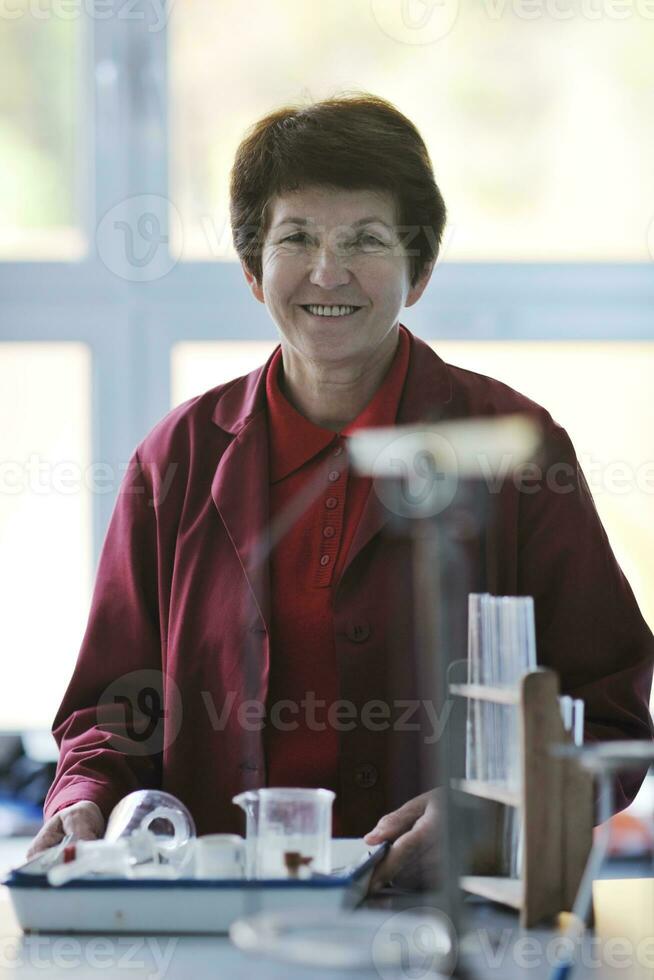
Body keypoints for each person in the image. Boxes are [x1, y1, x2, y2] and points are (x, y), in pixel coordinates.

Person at [29, 94, 654, 893]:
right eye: (297, 238)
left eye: (365, 239)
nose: (329, 272)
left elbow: (606, 715)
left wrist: (495, 810)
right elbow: (110, 715)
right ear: (254, 270)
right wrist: (86, 799)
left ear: (418, 270)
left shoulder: (516, 448)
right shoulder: (174, 460)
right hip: (221, 922)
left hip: (456, 914)